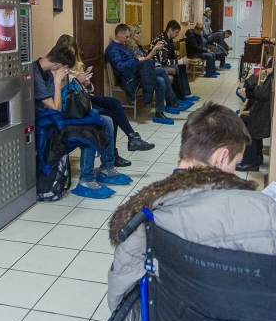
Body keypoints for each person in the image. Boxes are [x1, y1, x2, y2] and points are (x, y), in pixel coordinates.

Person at [106, 102, 276, 311]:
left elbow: (120, 294)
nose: (235, 172)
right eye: (236, 164)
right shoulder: (263, 215)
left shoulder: (144, 215)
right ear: (221, 157)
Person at [34, 43, 132, 199]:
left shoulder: (49, 70)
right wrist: (58, 81)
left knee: (106, 120)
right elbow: (55, 109)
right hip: (47, 123)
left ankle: (107, 168)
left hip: (58, 115)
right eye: (65, 69)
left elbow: (60, 101)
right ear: (59, 65)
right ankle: (86, 180)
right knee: (89, 129)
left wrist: (71, 82)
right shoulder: (37, 75)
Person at [55, 35, 155, 167]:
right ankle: (116, 152)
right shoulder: (58, 69)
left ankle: (132, 138)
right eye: (68, 53)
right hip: (72, 105)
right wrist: (77, 82)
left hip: (83, 98)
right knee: (110, 115)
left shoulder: (78, 64)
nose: (70, 57)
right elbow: (62, 94)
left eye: (72, 53)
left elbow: (86, 90)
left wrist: (87, 84)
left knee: (115, 103)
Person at [106, 24, 177, 125]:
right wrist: (137, 60)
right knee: (160, 71)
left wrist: (137, 60)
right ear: (119, 33)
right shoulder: (113, 49)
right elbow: (120, 67)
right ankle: (171, 100)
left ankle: (159, 112)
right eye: (126, 36)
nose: (127, 39)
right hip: (128, 79)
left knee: (160, 80)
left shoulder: (122, 46)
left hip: (134, 74)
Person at [125, 24, 193, 113]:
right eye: (138, 33)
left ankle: (173, 100)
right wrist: (154, 49)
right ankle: (173, 99)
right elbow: (145, 61)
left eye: (140, 32)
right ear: (131, 34)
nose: (140, 35)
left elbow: (146, 59)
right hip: (142, 72)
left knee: (169, 76)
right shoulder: (130, 48)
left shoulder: (138, 46)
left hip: (148, 69)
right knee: (168, 71)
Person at [150, 20, 201, 103]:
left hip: (162, 64)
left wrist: (182, 59)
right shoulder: (161, 41)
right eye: (176, 32)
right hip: (156, 65)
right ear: (170, 30)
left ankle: (186, 93)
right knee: (176, 67)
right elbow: (164, 61)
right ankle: (178, 95)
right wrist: (180, 61)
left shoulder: (169, 40)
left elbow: (173, 54)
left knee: (181, 66)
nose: (177, 35)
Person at [235, 62, 273, 171]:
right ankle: (257, 156)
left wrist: (249, 91)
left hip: (266, 111)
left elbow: (265, 91)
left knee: (246, 121)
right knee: (249, 118)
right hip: (266, 108)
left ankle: (250, 161)